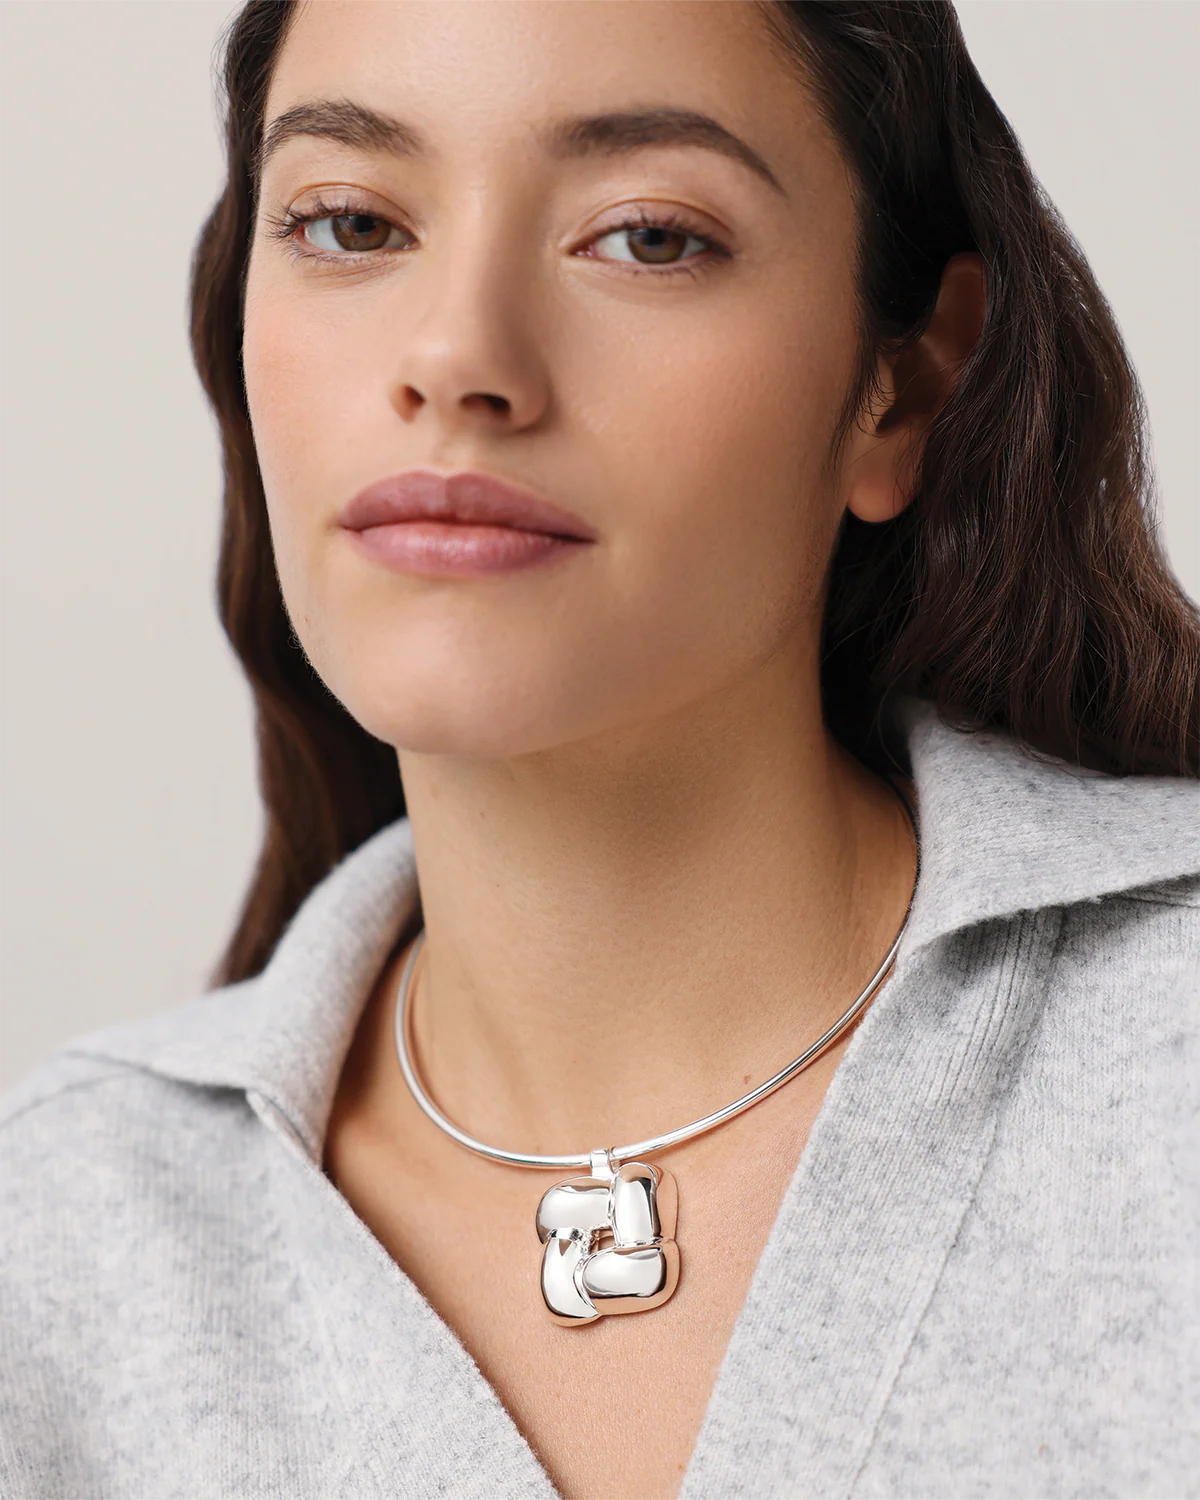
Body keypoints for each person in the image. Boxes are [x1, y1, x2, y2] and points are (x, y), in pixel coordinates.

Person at [2, 0, 1197, 1495]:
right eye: (353, 221)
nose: (458, 357)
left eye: (647, 237)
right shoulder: (55, 1245)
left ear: (904, 387)